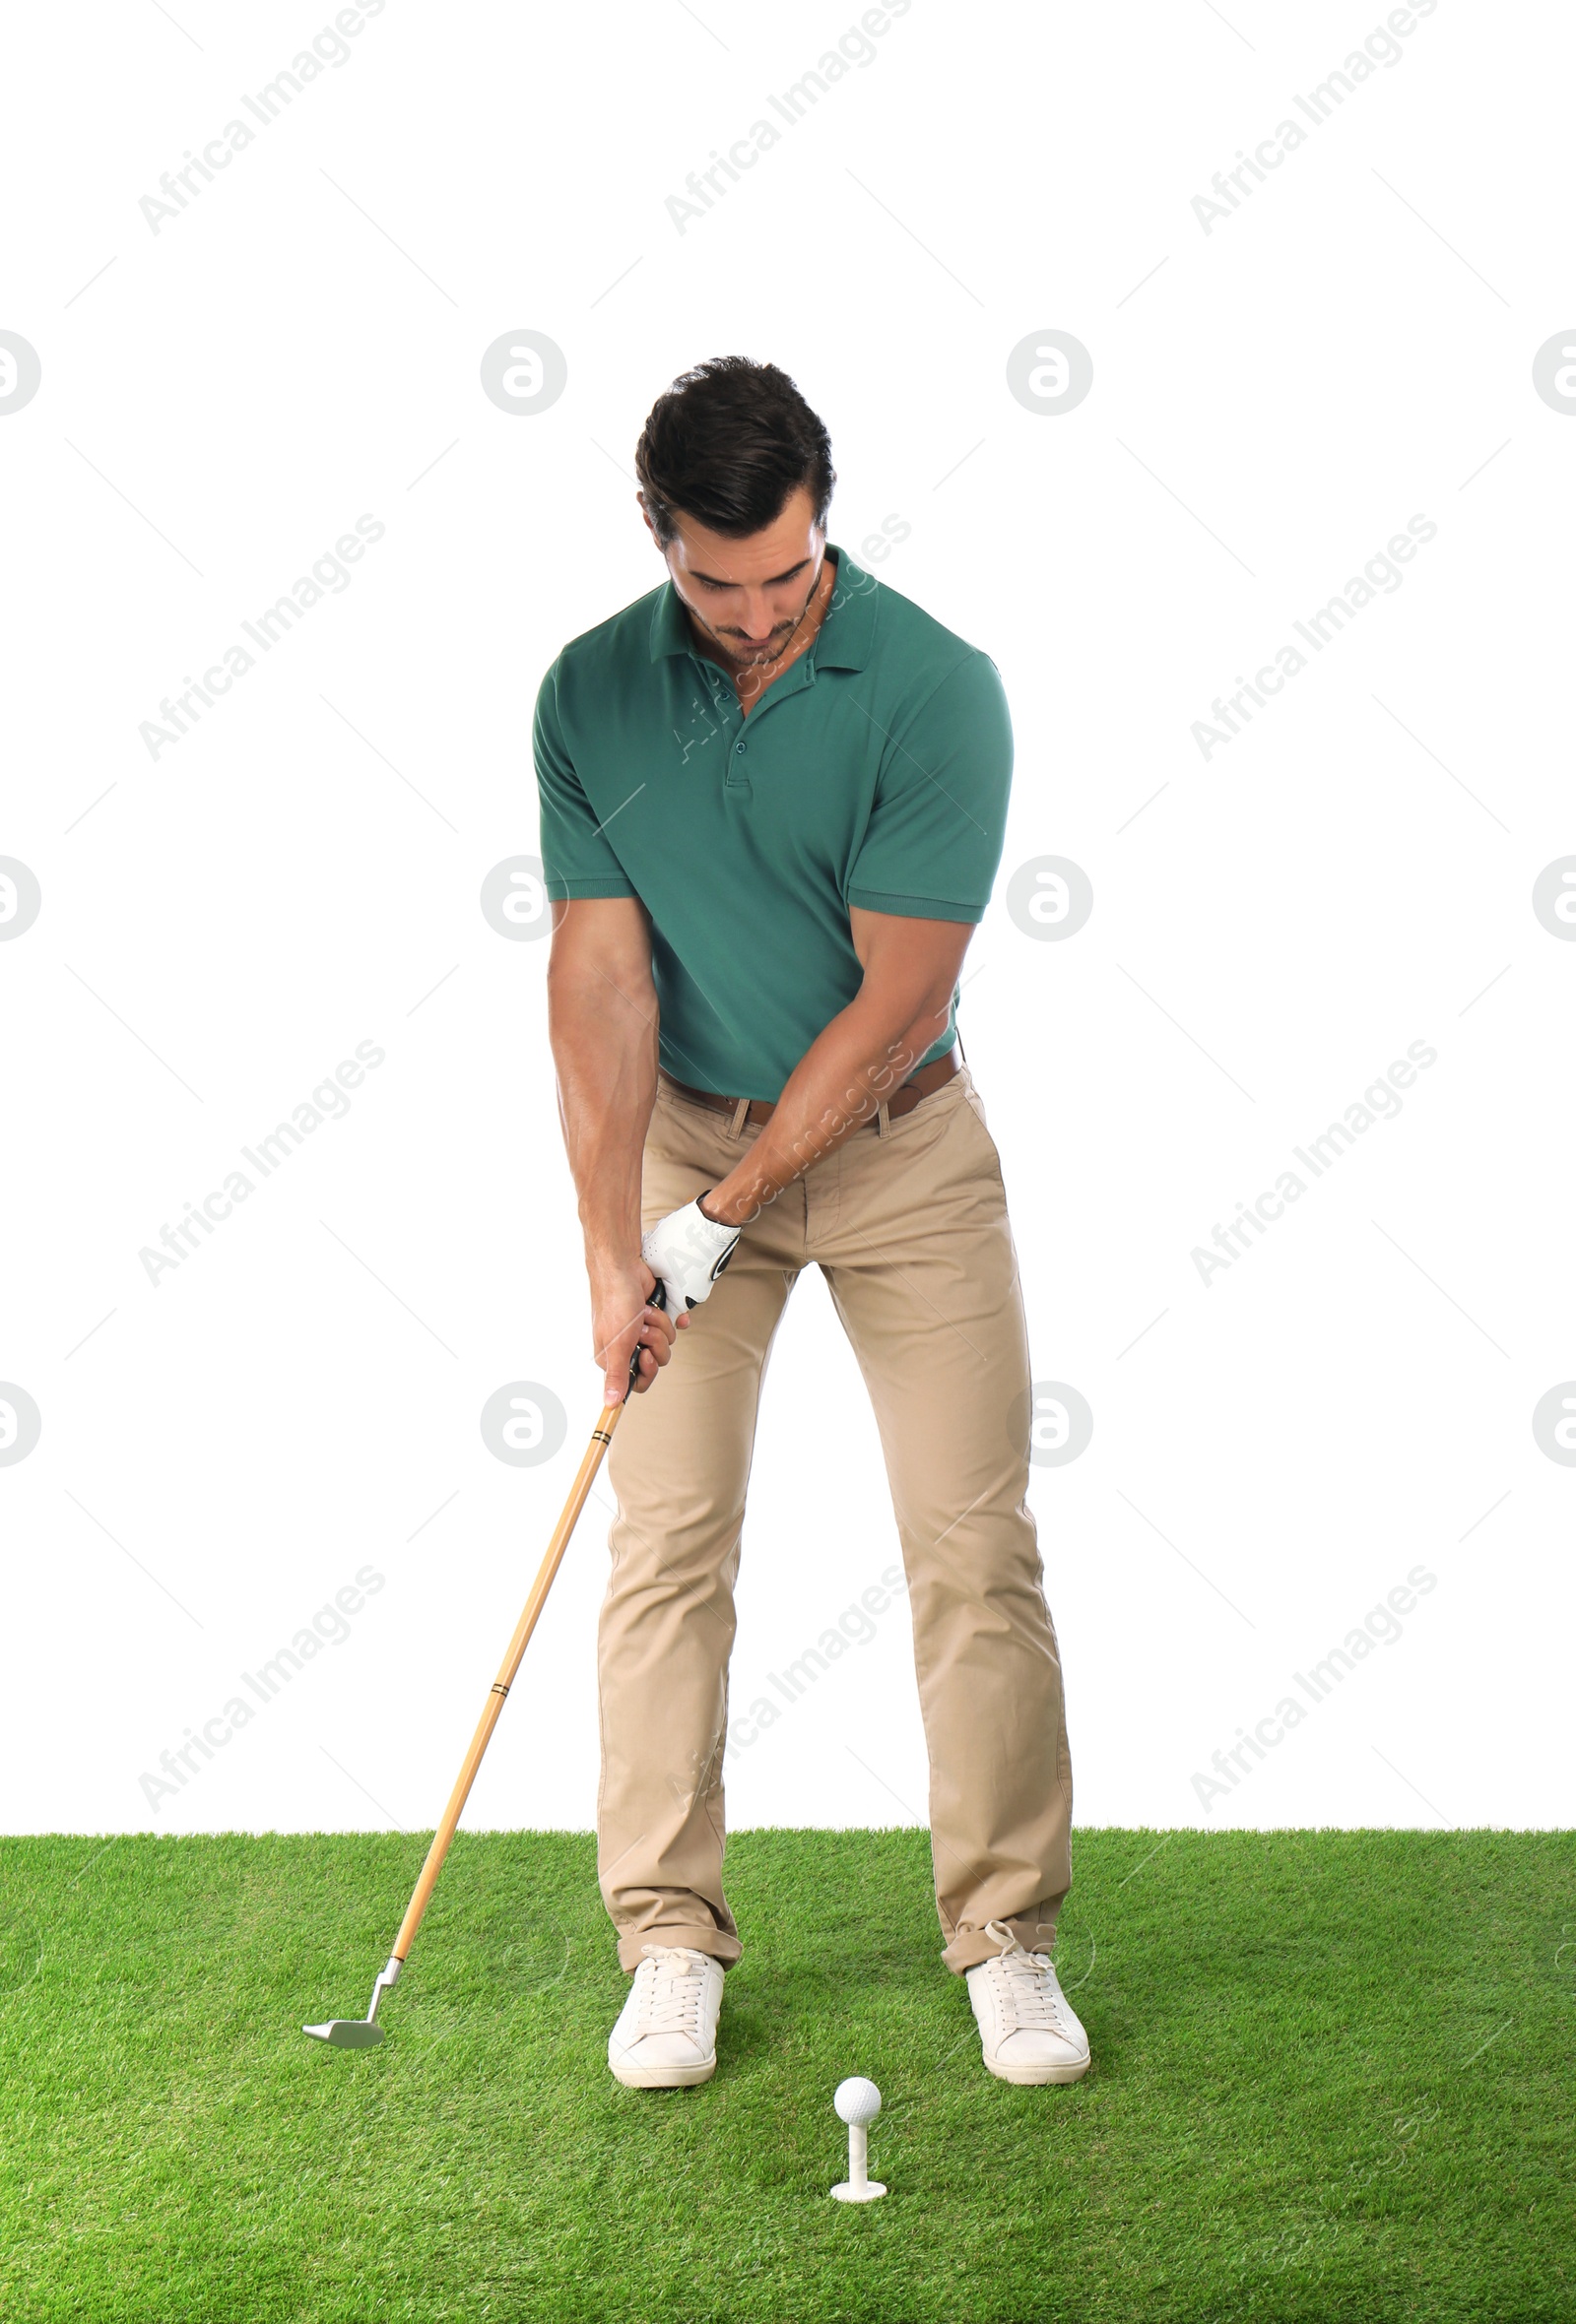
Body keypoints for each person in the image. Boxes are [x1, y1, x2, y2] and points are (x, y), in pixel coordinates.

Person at [535, 355, 1087, 2092]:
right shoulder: (589, 695)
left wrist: (731, 1207)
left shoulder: (935, 689)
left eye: (788, 573)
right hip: (686, 1142)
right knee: (668, 1541)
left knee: (969, 1536)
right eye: (718, 582)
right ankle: (668, 1940)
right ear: (658, 538)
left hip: (900, 1152)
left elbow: (899, 996)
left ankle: (1005, 1935)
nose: (760, 613)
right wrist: (615, 1246)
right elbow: (603, 979)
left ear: (822, 527)